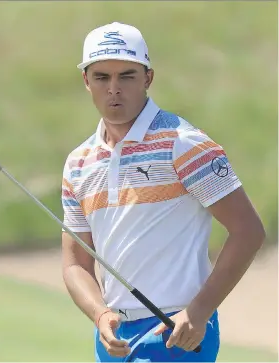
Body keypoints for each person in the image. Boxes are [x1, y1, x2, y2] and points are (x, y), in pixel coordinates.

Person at [60, 22, 265, 362]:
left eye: (126, 76)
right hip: (112, 339)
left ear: (147, 78)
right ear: (86, 81)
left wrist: (199, 311)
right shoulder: (78, 163)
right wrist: (99, 314)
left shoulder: (184, 144)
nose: (114, 89)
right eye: (101, 77)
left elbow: (248, 230)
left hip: (177, 333)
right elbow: (75, 263)